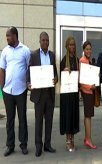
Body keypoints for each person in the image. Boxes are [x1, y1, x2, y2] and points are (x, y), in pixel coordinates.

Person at [0, 26, 30, 157]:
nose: (7, 38)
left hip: (21, 90)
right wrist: (1, 87)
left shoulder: (25, 50)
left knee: (22, 119)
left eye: (9, 36)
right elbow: (2, 69)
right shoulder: (5, 51)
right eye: (6, 36)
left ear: (15, 36)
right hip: (7, 91)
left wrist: (29, 82)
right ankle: (10, 146)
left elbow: (29, 68)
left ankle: (23, 145)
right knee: (10, 120)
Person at [27, 32, 58, 157]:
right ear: (39, 41)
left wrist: (56, 79)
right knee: (38, 121)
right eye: (43, 40)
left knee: (49, 121)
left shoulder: (52, 55)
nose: (45, 42)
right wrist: (28, 82)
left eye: (47, 40)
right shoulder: (34, 55)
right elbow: (29, 71)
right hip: (38, 95)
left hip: (49, 94)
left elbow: (55, 73)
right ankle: (38, 146)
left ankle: (47, 145)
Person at [60, 36, 80, 152]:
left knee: (73, 116)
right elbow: (61, 79)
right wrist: (65, 72)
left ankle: (72, 138)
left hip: (74, 93)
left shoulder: (77, 60)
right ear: (67, 46)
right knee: (67, 116)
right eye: (70, 45)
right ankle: (68, 140)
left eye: (73, 45)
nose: (72, 47)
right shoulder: (64, 60)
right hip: (66, 94)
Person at [79, 41, 97, 149]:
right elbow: (82, 80)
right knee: (88, 116)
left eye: (90, 49)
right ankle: (88, 140)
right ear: (83, 50)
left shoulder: (88, 61)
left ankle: (87, 138)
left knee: (88, 116)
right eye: (87, 49)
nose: (89, 51)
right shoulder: (82, 61)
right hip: (87, 91)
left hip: (90, 91)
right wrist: (90, 87)